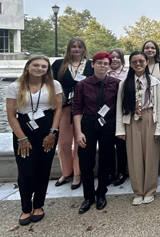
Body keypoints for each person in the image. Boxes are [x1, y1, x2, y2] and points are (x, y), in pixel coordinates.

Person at [6, 56, 63, 225]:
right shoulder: (14, 87)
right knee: (26, 171)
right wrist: (22, 138)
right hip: (23, 128)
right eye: (36, 65)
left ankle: (38, 205)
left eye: (43, 66)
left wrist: (53, 132)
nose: (39, 68)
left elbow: (58, 109)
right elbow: (11, 115)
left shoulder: (54, 85)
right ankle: (25, 207)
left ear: (47, 69)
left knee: (43, 168)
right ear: (28, 67)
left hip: (47, 127)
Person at [72, 52, 121, 213]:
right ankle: (88, 196)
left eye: (106, 63)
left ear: (110, 66)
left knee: (106, 159)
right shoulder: (82, 85)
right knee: (86, 161)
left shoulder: (116, 83)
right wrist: (78, 132)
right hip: (88, 123)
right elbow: (77, 109)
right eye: (99, 63)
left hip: (108, 123)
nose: (102, 66)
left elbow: (120, 107)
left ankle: (101, 193)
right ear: (92, 65)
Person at [115, 51, 160, 205]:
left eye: (141, 61)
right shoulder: (124, 83)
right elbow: (119, 107)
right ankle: (138, 191)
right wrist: (120, 129)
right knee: (134, 156)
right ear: (130, 64)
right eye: (134, 62)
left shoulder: (155, 82)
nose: (138, 64)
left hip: (150, 118)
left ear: (147, 62)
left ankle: (150, 190)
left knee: (151, 156)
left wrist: (159, 129)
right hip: (131, 119)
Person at [51, 37, 93, 190]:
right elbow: (51, 84)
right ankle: (65, 172)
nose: (76, 49)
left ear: (84, 49)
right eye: (73, 46)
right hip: (64, 108)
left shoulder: (90, 65)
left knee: (80, 143)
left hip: (84, 109)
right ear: (69, 48)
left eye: (79, 47)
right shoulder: (58, 65)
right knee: (63, 143)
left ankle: (77, 173)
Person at [107, 48, 128, 186]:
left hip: (122, 112)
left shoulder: (127, 73)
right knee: (107, 144)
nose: (115, 59)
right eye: (112, 57)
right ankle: (109, 172)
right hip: (106, 114)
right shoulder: (103, 71)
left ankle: (122, 171)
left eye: (117, 57)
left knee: (121, 144)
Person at [142, 40, 160, 139]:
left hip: (158, 106)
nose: (150, 50)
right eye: (147, 48)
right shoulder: (139, 66)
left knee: (157, 135)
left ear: (157, 50)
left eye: (153, 48)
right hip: (141, 107)